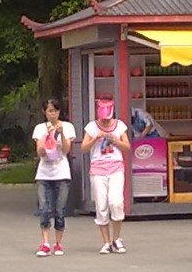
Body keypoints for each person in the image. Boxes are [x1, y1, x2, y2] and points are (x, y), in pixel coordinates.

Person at [83, 97, 131, 253]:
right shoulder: (91, 127)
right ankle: (106, 242)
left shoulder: (120, 126)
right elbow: (83, 148)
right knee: (101, 204)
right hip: (98, 169)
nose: (104, 121)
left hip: (116, 167)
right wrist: (95, 138)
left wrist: (115, 140)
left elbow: (127, 147)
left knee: (116, 202)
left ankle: (117, 238)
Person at [31, 100, 73, 256]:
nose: (53, 114)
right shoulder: (39, 129)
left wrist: (60, 133)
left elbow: (67, 150)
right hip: (44, 173)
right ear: (45, 112)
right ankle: (45, 242)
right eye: (49, 111)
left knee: (60, 209)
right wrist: (46, 136)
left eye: (55, 111)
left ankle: (58, 243)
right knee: (44, 207)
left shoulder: (67, 127)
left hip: (61, 172)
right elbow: (40, 153)